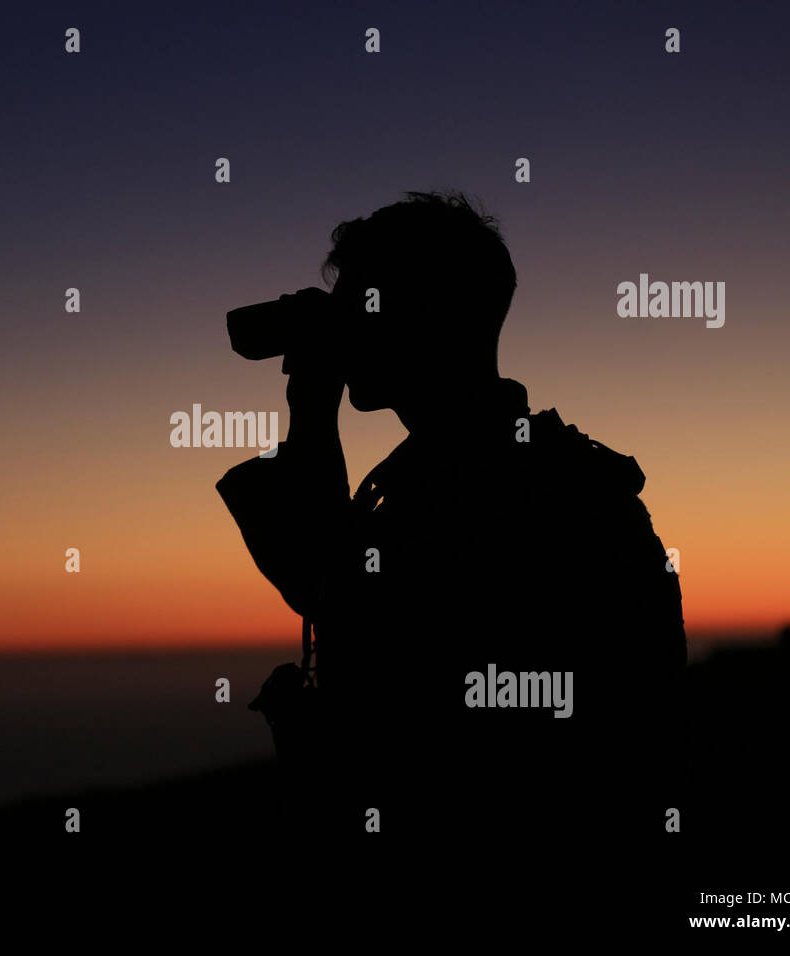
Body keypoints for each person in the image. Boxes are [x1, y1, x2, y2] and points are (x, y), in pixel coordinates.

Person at [217, 192, 687, 862]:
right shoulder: (515, 468)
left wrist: (312, 414)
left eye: (360, 304)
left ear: (420, 317)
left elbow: (326, 584)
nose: (344, 328)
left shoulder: (492, 489)